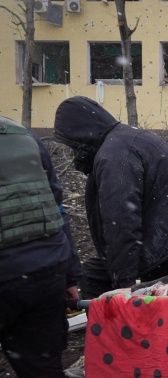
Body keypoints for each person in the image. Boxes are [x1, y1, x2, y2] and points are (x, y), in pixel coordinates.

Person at [53, 96, 168, 300]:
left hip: (167, 242)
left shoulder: (115, 155)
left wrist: (123, 284)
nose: (74, 152)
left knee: (154, 303)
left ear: (80, 134)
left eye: (72, 145)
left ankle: (121, 328)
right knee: (93, 274)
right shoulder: (122, 139)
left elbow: (121, 221)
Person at [0, 115, 82, 377]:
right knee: (42, 368)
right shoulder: (21, 134)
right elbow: (57, 208)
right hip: (46, 272)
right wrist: (70, 277)